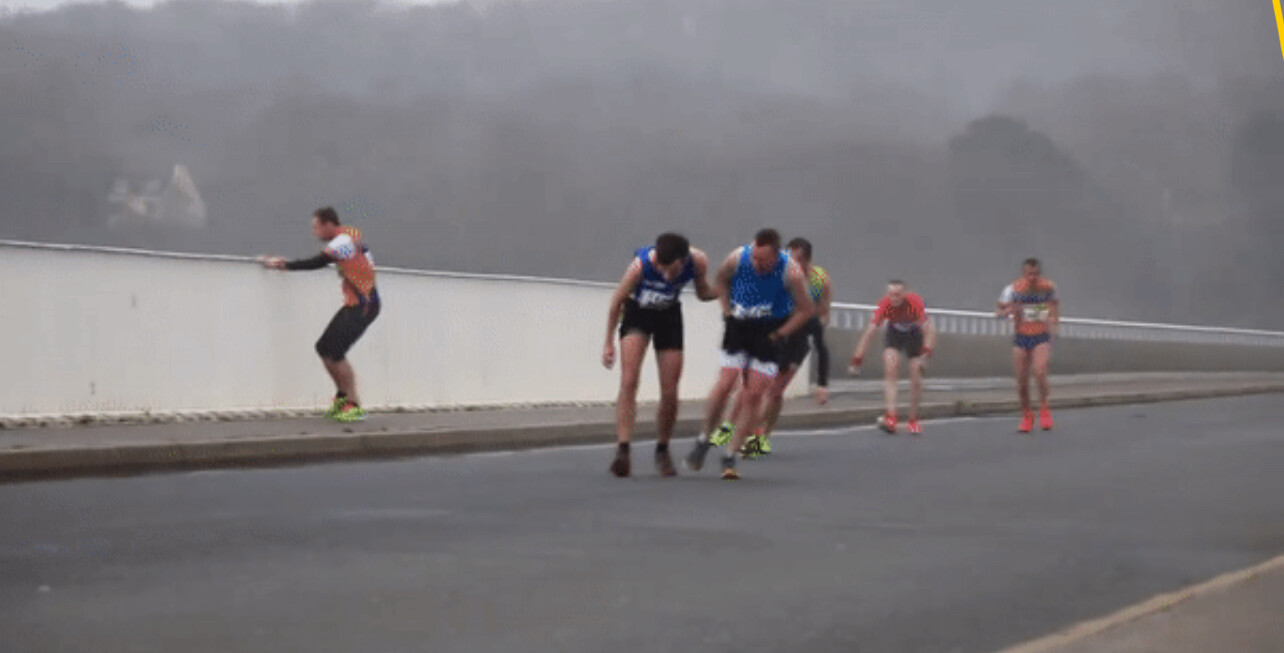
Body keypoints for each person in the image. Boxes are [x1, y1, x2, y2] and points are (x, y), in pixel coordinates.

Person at [685, 228, 813, 480]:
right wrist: (726, 311)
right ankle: (703, 439)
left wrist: (781, 333)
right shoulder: (738, 258)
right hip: (739, 324)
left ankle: (730, 455)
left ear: (775, 256)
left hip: (769, 330)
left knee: (754, 394)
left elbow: (806, 309)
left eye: (762, 260)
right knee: (726, 383)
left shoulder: (791, 272)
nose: (757, 264)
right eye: (754, 257)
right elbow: (721, 280)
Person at [602, 233, 717, 477]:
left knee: (670, 388)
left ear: (683, 260)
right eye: (661, 269)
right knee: (629, 379)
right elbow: (616, 303)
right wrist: (608, 343)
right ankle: (623, 449)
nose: (666, 275)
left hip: (668, 315)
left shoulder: (698, 261)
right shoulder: (640, 266)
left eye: (672, 270)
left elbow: (703, 292)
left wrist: (725, 291)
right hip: (638, 313)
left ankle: (663, 448)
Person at [259, 206, 380, 423]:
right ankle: (342, 398)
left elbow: (317, 262)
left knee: (335, 352)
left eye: (316, 227)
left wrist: (282, 265)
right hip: (356, 304)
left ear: (328, 224)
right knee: (323, 348)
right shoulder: (349, 237)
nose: (314, 232)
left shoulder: (343, 241)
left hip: (364, 305)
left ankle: (353, 404)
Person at [735, 236, 832, 458]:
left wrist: (822, 383)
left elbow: (824, 312)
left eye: (794, 259)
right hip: (777, 333)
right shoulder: (781, 273)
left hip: (799, 338)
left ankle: (759, 437)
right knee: (755, 389)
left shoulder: (820, 279)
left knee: (774, 391)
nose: (788, 262)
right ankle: (749, 432)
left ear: (805, 261)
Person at [849, 280, 935, 435]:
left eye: (898, 295)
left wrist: (926, 353)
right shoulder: (884, 305)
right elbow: (869, 332)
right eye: (891, 295)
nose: (894, 298)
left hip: (914, 335)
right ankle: (891, 416)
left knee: (916, 376)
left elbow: (929, 329)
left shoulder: (915, 302)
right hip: (894, 334)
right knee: (890, 368)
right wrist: (857, 359)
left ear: (905, 294)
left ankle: (913, 419)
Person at [996, 258, 1059, 433]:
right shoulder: (1012, 289)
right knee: (1021, 381)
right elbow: (998, 311)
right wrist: (1007, 312)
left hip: (1041, 336)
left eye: (1035, 274)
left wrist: (1053, 332)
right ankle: (1026, 414)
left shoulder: (1049, 288)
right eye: (1029, 274)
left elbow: (1054, 311)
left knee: (1039, 372)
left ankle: (1044, 408)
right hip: (1021, 337)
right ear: (1023, 273)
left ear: (1040, 273)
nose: (1032, 278)